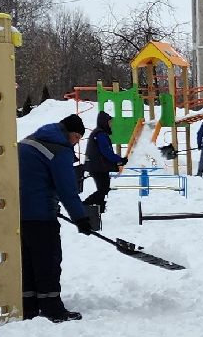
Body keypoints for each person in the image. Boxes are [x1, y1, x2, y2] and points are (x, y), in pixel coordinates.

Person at [16, 113, 100, 322]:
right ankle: (52, 308)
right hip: (42, 216)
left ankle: (29, 306)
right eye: (78, 138)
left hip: (17, 214)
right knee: (48, 262)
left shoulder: (28, 142)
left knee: (27, 261)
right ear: (71, 133)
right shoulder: (59, 150)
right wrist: (81, 218)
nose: (76, 143)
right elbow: (66, 189)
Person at [83, 111, 127, 212]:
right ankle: (85, 205)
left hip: (97, 166)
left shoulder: (98, 133)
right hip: (98, 167)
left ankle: (99, 209)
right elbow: (106, 151)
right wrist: (119, 159)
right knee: (103, 189)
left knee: (103, 188)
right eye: (109, 122)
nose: (111, 124)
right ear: (104, 122)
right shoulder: (100, 134)